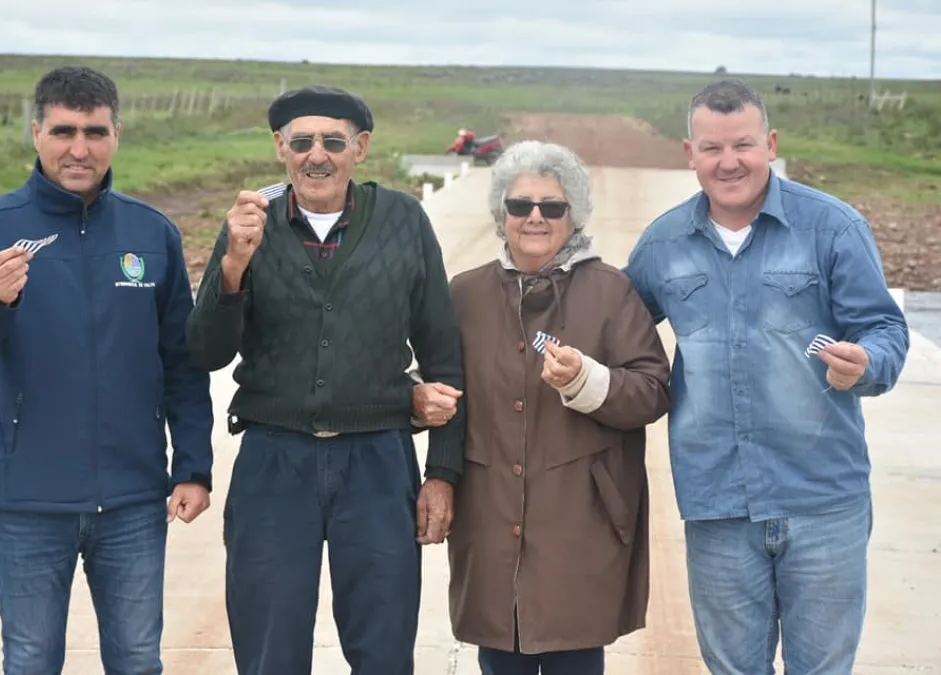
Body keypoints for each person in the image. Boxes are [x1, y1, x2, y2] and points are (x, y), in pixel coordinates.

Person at [623, 79, 909, 674]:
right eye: (712, 148)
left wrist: (867, 363)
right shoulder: (663, 244)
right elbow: (610, 328)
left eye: (743, 145)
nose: (729, 162)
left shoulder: (832, 228)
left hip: (822, 501)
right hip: (717, 506)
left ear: (771, 144)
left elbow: (884, 328)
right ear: (691, 153)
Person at [0, 66, 214, 674]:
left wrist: (193, 466)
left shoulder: (152, 233)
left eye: (95, 132)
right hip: (27, 500)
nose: (79, 149)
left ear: (117, 135)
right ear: (37, 132)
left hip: (134, 498)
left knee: (137, 660)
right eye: (64, 131)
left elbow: (183, 362)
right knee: (31, 660)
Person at [185, 84, 465, 675]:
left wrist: (442, 473)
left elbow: (444, 355)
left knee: (384, 649)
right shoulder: (248, 224)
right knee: (269, 649)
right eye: (302, 142)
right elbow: (207, 351)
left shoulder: (403, 219)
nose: (317, 155)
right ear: (280, 148)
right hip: (273, 460)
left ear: (360, 148)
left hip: (378, 462)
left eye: (333, 142)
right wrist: (233, 264)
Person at [416, 140, 671, 674]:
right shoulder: (465, 294)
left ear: (572, 215)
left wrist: (587, 382)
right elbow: (441, 384)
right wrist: (418, 403)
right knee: (498, 650)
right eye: (520, 205)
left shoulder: (611, 291)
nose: (535, 217)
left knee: (573, 651)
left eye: (552, 207)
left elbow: (653, 390)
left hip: (580, 520)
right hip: (490, 518)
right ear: (501, 213)